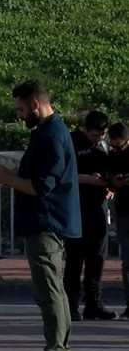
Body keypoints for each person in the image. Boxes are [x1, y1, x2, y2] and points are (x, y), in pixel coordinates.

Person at [0, 80, 80, 351]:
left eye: (21, 109)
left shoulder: (50, 136)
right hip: (47, 221)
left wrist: (6, 178)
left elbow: (41, 187)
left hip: (46, 223)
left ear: (36, 105)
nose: (19, 115)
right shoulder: (48, 132)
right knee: (54, 289)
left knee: (49, 290)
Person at [63, 112, 116, 321]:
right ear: (86, 129)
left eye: (102, 135)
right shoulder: (72, 142)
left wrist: (110, 183)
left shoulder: (103, 146)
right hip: (77, 209)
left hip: (98, 208)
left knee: (97, 259)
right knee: (75, 259)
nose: (99, 139)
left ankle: (93, 304)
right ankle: (71, 306)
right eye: (95, 135)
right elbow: (63, 174)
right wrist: (88, 179)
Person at [107, 121, 129, 320]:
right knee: (127, 261)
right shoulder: (113, 156)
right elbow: (110, 179)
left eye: (118, 145)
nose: (115, 149)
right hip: (123, 211)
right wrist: (114, 181)